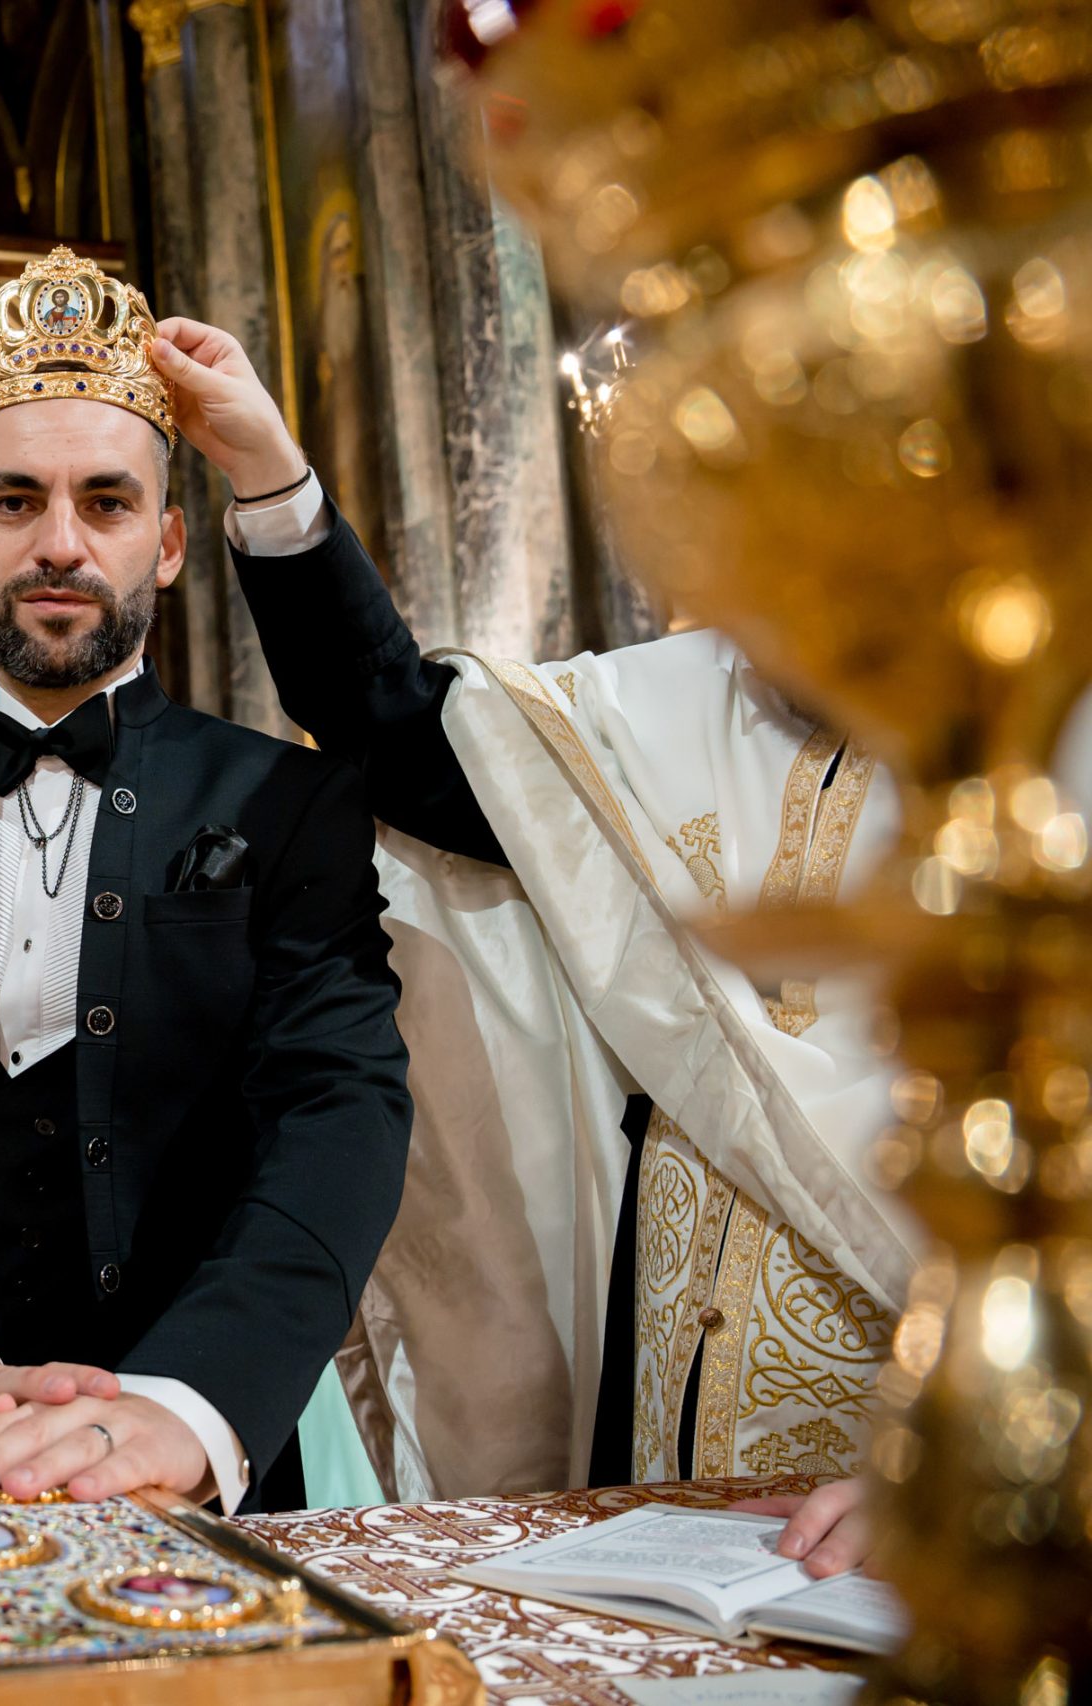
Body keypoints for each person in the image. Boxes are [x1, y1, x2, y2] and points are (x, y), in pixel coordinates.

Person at [186, 305, 994, 1569]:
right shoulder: (678, 704)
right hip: (667, 1435)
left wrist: (979, 1465)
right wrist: (266, 473)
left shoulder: (1046, 756)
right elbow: (399, 733)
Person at [0, 248, 412, 1513]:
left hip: (182, 1448)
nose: (58, 543)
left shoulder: (288, 801)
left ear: (167, 541)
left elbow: (340, 1112)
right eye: (13, 501)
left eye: (105, 502)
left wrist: (190, 1400)